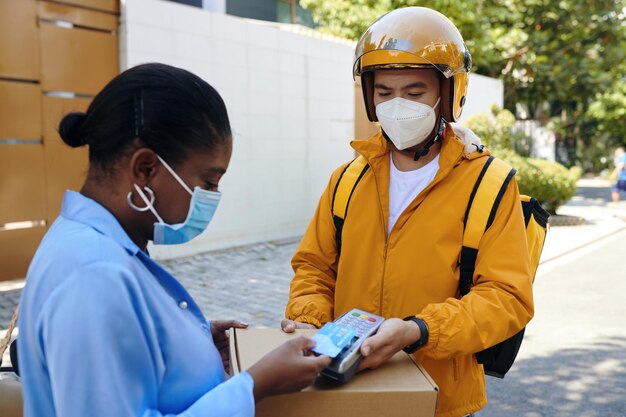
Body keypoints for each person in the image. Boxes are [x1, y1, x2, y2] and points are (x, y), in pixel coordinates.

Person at [17, 63, 331, 417]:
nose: (212, 196)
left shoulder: (99, 246)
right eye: (209, 182)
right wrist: (255, 385)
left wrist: (190, 341)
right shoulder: (94, 274)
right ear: (146, 169)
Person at [281, 7, 533, 417]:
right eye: (384, 93)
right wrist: (309, 319)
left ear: (448, 93)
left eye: (415, 93)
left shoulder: (490, 183)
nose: (397, 106)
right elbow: (313, 268)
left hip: (439, 399)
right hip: (347, 387)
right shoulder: (346, 180)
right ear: (369, 95)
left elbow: (506, 298)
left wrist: (418, 331)